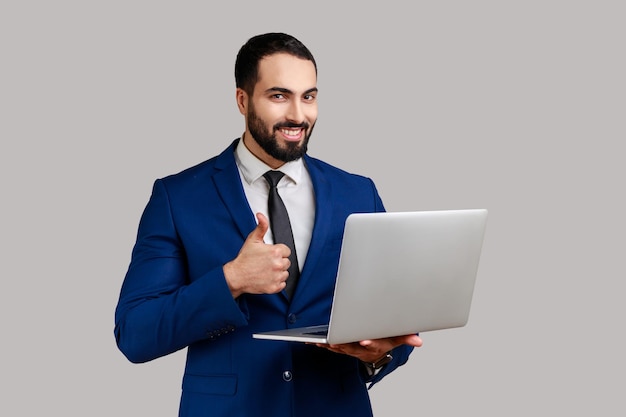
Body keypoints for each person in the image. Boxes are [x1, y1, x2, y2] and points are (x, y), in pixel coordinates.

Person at [114, 32, 422, 417]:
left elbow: (398, 314)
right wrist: (231, 280)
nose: (298, 114)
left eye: (308, 96)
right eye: (279, 96)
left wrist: (382, 353)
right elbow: (136, 333)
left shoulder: (358, 193)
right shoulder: (178, 198)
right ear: (243, 100)